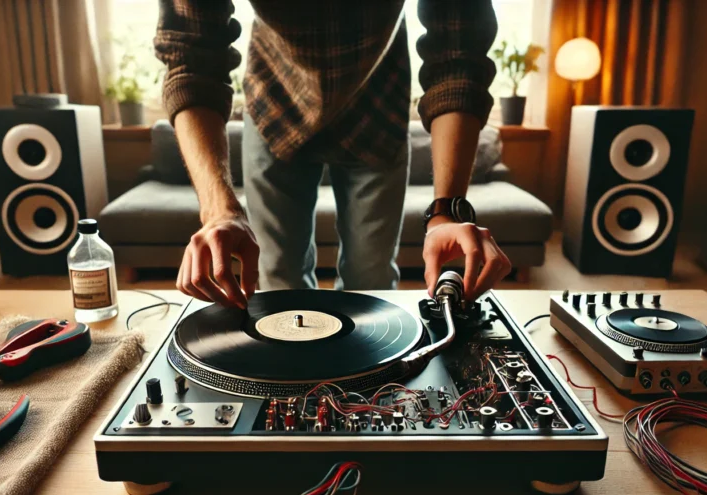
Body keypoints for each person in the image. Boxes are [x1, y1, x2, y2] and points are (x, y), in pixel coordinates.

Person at [155, 0, 511, 309]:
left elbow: (458, 54)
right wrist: (218, 211)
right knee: (279, 281)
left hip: (379, 108)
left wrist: (447, 211)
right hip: (273, 108)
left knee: (371, 282)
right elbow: (191, 57)